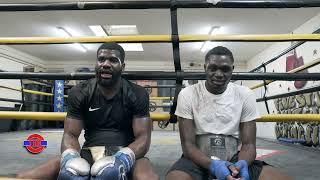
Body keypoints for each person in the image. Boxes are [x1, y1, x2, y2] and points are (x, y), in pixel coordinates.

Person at [17, 42, 159, 180]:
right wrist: (71, 156)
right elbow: (70, 134)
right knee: (27, 177)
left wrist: (124, 158)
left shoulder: (137, 93)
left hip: (128, 152)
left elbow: (143, 138)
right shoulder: (80, 92)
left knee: (146, 177)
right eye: (101, 59)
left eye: (113, 60)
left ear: (122, 66)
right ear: (96, 64)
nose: (106, 64)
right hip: (89, 152)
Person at [166, 46, 292, 180]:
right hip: (197, 159)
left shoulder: (244, 94)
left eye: (225, 69)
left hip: (235, 156)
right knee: (176, 178)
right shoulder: (188, 94)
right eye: (213, 68)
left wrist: (241, 165)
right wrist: (213, 165)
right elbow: (188, 145)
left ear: (232, 69)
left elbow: (249, 145)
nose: (219, 74)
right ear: (205, 68)